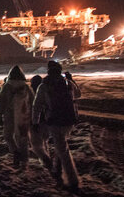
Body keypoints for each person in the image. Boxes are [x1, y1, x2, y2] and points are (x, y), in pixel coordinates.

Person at [33, 61, 80, 191]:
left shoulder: (44, 85)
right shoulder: (67, 83)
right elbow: (79, 95)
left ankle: (72, 180)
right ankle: (58, 170)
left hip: (54, 121)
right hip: (69, 120)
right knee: (61, 146)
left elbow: (37, 106)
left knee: (63, 150)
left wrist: (36, 122)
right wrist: (72, 80)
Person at [0, 65, 34, 169]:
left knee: (8, 136)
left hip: (9, 116)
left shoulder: (6, 87)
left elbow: (1, 102)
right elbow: (32, 102)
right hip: (23, 117)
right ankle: (24, 161)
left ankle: (15, 152)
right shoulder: (26, 87)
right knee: (23, 138)